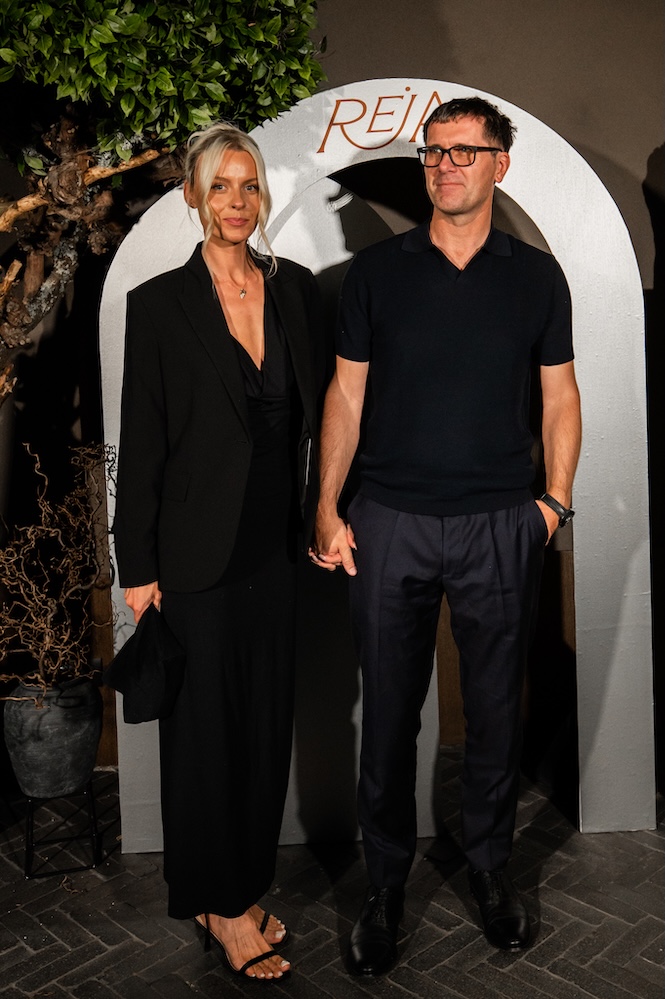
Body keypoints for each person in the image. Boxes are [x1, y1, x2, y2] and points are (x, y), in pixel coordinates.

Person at [309, 96, 582, 975]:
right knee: (388, 714)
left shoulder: (536, 278)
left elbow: (559, 395)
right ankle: (384, 887)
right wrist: (327, 505)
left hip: (499, 521)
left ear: (500, 163)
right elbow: (345, 392)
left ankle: (492, 868)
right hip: (388, 520)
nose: (444, 165)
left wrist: (553, 503)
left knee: (495, 710)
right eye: (433, 151)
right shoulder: (376, 274)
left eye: (464, 151)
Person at [113, 122, 326, 981]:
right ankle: (222, 907)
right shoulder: (159, 305)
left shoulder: (296, 290)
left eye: (249, 185)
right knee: (204, 737)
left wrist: (328, 512)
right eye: (220, 186)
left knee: (263, 729)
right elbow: (143, 441)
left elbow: (324, 415)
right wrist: (137, 568)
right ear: (193, 196)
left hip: (276, 552)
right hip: (193, 559)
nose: (236, 202)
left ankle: (237, 885)